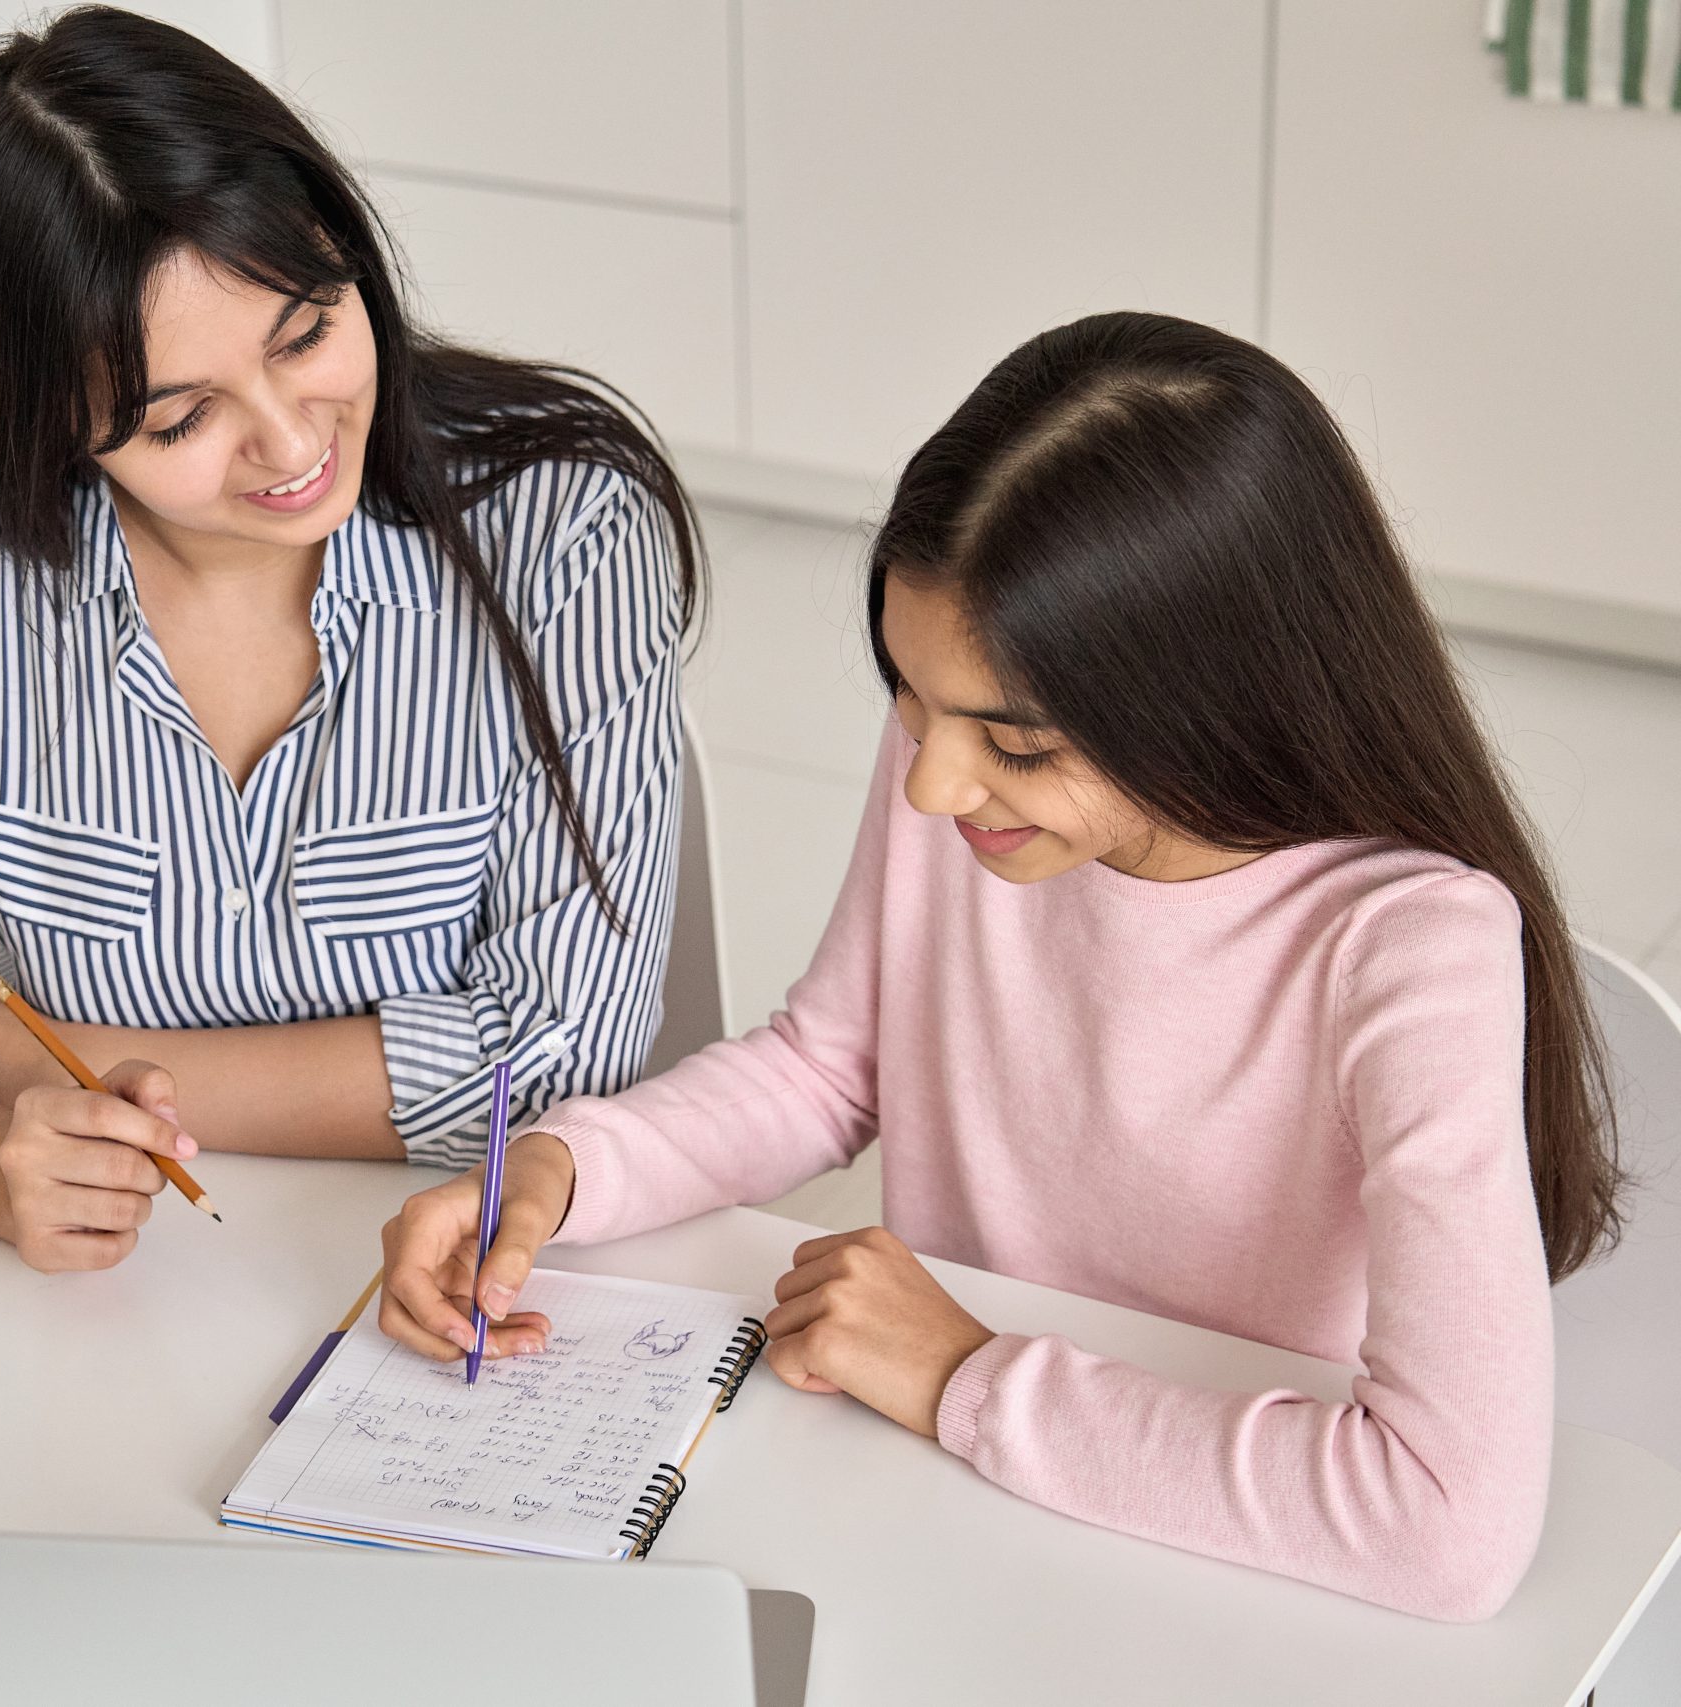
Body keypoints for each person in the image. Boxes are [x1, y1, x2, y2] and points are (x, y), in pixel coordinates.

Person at [374, 311, 1623, 1621]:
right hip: (927, 1494)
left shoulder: (1414, 947)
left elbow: (1445, 1524)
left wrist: (967, 1372)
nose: (933, 780)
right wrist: (566, 1170)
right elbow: (828, 1065)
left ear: (1217, 700)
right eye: (910, 696)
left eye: (1014, 743)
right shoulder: (969, 773)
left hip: (1232, 1571)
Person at [0, 7, 700, 1274]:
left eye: (307, 332)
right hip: (86, 1300)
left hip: (426, 1256)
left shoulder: (565, 527)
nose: (290, 441)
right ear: (52, 426)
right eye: (179, 418)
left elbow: (560, 1049)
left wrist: (35, 1060)